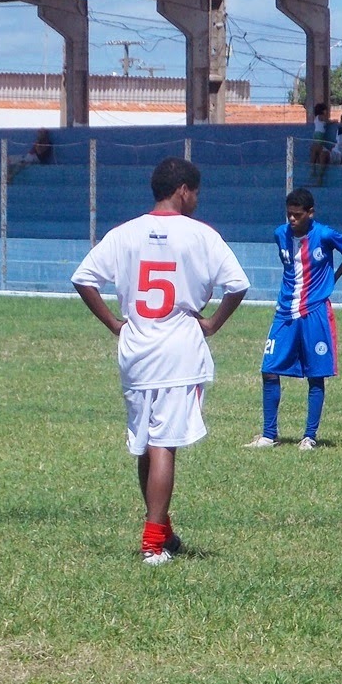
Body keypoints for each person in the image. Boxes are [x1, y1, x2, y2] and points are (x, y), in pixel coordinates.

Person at [71, 156, 250, 565]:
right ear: (183, 190)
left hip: (136, 347)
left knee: (144, 446)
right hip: (178, 349)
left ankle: (162, 529)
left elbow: (83, 278)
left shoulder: (124, 233)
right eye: (196, 193)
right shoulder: (200, 234)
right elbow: (237, 284)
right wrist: (214, 324)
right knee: (164, 445)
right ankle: (153, 542)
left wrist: (115, 323)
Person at [246, 187, 342, 451]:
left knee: (315, 373)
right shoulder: (280, 234)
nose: (292, 220)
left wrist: (332, 278)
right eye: (289, 215)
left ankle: (309, 436)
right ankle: (268, 434)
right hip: (285, 311)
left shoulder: (324, 234)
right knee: (269, 369)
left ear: (311, 213)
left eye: (297, 215)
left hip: (314, 312)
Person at [308, 102, 331, 185]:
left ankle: (313, 169)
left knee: (315, 151)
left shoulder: (316, 118)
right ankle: (314, 171)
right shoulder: (321, 117)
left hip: (317, 135)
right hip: (319, 135)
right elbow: (328, 121)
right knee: (317, 147)